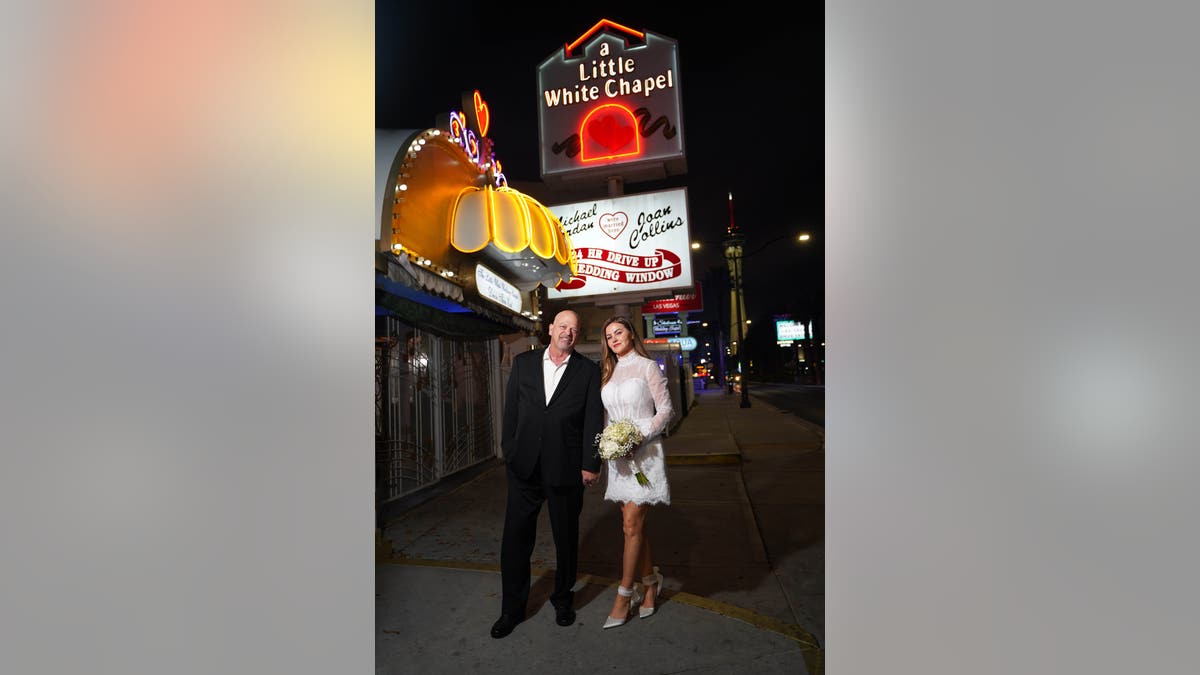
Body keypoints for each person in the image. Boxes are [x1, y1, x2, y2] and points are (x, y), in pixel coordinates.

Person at [490, 310, 604, 639]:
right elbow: (511, 408)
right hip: (524, 467)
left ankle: (562, 599)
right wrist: (509, 449)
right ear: (551, 329)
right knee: (515, 541)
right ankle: (511, 610)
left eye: (574, 329)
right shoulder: (525, 364)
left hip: (566, 470)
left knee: (566, 540)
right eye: (563, 326)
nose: (568, 332)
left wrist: (590, 463)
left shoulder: (587, 371)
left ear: (578, 336)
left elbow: (593, 421)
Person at [598, 316, 673, 629]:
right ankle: (651, 583)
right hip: (617, 456)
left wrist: (639, 438)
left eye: (619, 331)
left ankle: (624, 594)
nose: (614, 338)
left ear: (631, 333)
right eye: (609, 335)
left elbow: (666, 410)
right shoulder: (608, 372)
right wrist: (608, 445)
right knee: (633, 527)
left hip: (644, 452)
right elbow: (607, 416)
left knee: (631, 525)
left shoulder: (647, 367)